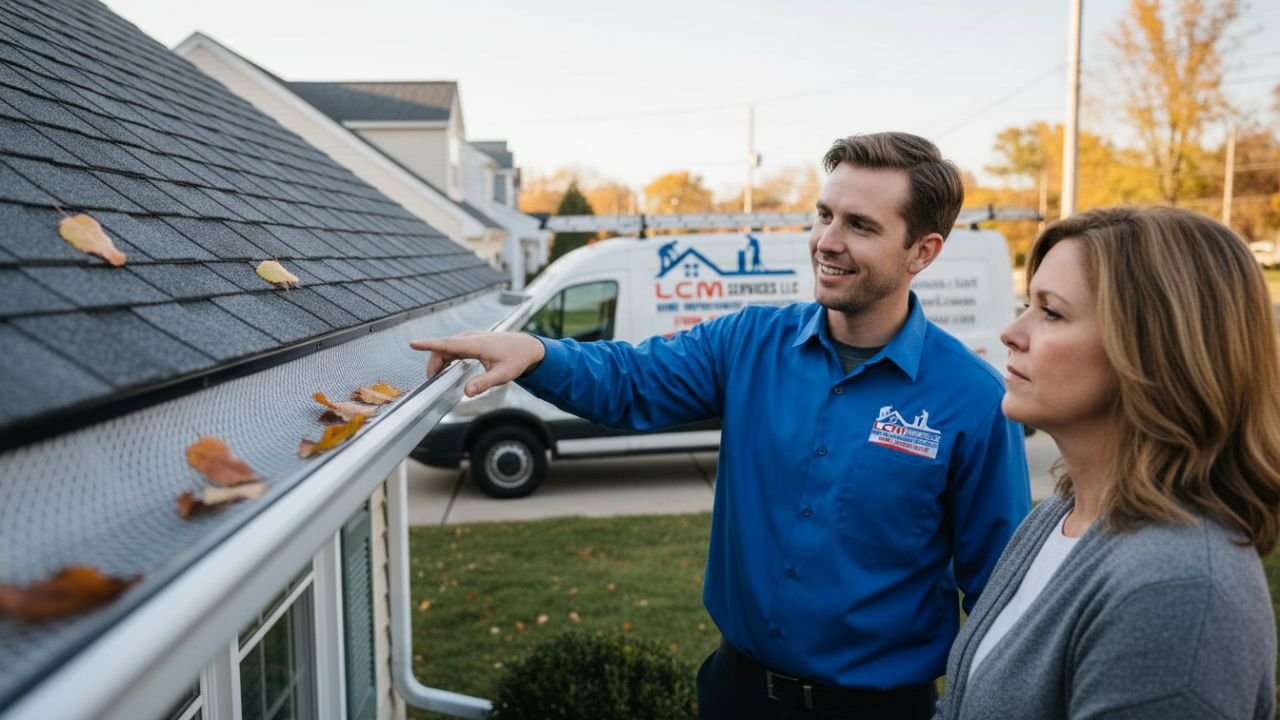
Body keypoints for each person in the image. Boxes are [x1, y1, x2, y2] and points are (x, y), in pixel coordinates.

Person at [412, 132, 1030, 720]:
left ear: (923, 251)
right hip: (737, 694)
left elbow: (999, 594)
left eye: (860, 226)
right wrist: (536, 353)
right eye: (824, 215)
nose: (827, 241)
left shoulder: (973, 401)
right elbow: (631, 379)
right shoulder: (748, 342)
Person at [934, 206, 1280, 720]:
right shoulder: (1060, 517)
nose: (1011, 333)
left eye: (1051, 312)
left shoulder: (1176, 590)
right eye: (1027, 305)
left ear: (1152, 348)